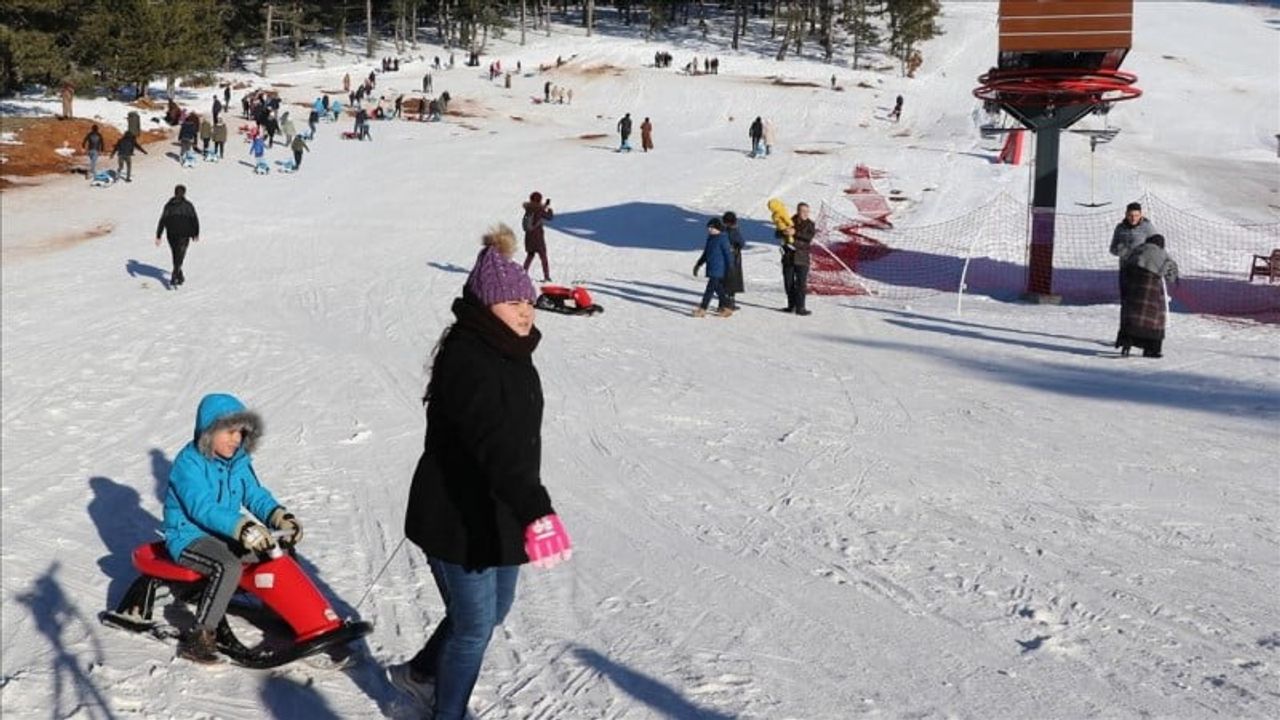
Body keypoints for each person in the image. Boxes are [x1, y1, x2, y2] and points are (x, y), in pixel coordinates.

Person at [388, 232, 572, 719]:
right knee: (474, 628)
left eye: (528, 301)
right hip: (457, 514)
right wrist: (537, 511)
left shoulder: (513, 352)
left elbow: (513, 445)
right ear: (486, 304)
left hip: (500, 508)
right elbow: (492, 444)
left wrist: (523, 507)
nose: (525, 311)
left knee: (493, 613)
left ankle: (420, 673)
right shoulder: (469, 359)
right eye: (512, 301)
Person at [163, 392, 303, 663]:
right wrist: (241, 527)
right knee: (227, 566)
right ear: (209, 430)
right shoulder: (188, 464)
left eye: (240, 432)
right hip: (188, 536)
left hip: (224, 533)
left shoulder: (238, 462)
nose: (236, 439)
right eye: (229, 432)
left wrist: (279, 516)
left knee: (278, 551)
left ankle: (285, 613)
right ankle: (200, 637)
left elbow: (254, 494)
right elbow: (201, 507)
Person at [1116, 234, 1179, 358]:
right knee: (1156, 319)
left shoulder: (1136, 250)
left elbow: (1124, 266)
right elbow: (1172, 276)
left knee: (1131, 317)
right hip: (1150, 291)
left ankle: (1126, 343)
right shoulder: (1163, 254)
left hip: (1132, 290)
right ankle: (1152, 350)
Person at [154, 184, 200, 287]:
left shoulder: (168, 205)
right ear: (184, 193)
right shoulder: (188, 205)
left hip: (171, 234)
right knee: (180, 255)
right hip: (184, 234)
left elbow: (163, 220)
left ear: (175, 193)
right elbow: (194, 219)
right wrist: (195, 233)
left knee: (176, 254)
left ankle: (180, 276)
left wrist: (159, 235)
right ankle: (175, 274)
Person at [1110, 201, 1158, 295]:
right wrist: (1121, 251)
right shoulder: (1120, 228)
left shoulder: (1147, 227)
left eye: (1136, 215)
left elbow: (1157, 245)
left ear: (1141, 215)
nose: (1133, 218)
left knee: (1140, 296)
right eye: (1130, 215)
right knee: (1126, 296)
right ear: (1126, 215)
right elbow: (1112, 248)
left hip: (1142, 269)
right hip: (1126, 268)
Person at [691, 217, 735, 318]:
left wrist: (730, 267)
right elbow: (706, 253)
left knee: (709, 289)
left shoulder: (723, 239)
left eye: (712, 228)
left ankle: (703, 309)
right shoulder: (710, 238)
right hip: (712, 267)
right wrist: (698, 264)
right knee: (718, 289)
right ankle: (727, 307)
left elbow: (728, 254)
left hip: (719, 269)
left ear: (717, 228)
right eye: (709, 228)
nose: (709, 230)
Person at [780, 202, 815, 315]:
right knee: (788, 283)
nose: (805, 213)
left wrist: (795, 233)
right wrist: (783, 231)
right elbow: (777, 232)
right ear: (797, 211)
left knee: (801, 284)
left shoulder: (810, 224)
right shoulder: (789, 221)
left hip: (802, 258)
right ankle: (791, 305)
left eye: (807, 211)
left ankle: (801, 307)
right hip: (788, 258)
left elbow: (808, 238)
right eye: (803, 211)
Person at [521, 192, 554, 282]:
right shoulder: (539, 210)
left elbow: (537, 210)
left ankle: (523, 273)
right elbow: (549, 217)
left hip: (529, 237)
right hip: (538, 238)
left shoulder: (528, 209)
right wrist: (549, 210)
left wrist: (544, 206)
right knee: (543, 257)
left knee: (530, 255)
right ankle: (546, 277)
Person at [721, 211, 746, 309]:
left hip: (723, 258)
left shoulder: (722, 230)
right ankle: (730, 303)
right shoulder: (734, 231)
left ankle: (723, 303)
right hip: (733, 258)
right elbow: (741, 243)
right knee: (732, 281)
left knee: (724, 281)